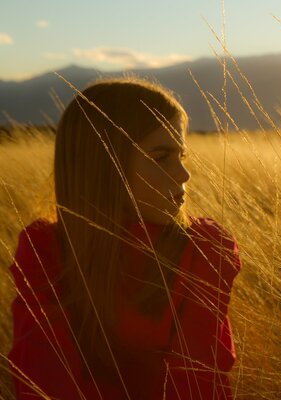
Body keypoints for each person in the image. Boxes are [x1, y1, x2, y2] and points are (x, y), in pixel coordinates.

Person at [7, 77, 242, 399]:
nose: (184, 175)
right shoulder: (45, 249)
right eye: (161, 157)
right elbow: (44, 377)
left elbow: (198, 378)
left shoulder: (205, 247)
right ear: (106, 165)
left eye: (181, 157)